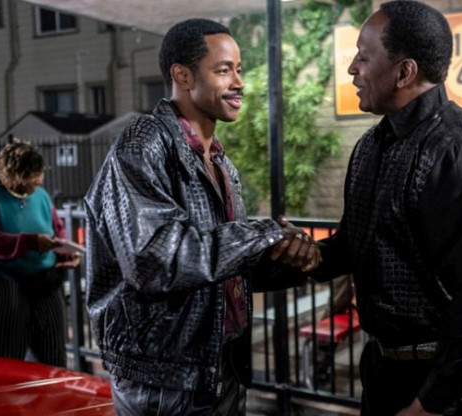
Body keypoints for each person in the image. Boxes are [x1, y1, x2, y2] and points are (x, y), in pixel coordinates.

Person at [84, 19, 317, 416]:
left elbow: (221, 264)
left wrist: (296, 255)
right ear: (183, 76)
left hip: (219, 366)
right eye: (224, 70)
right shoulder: (143, 142)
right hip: (165, 380)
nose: (239, 82)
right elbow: (155, 260)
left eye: (239, 70)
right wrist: (262, 233)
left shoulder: (219, 161)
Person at [286, 2, 462, 414]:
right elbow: (355, 245)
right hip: (385, 370)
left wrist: (430, 403)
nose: (352, 69)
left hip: (442, 385)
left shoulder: (458, 146)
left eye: (363, 57)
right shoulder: (370, 146)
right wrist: (310, 254)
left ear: (404, 72)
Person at [0, 140, 80, 367]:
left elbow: (57, 228)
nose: (39, 180)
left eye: (39, 174)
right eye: (31, 175)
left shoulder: (41, 195)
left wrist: (66, 253)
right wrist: (31, 242)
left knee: (52, 357)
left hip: (44, 281)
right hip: (2, 283)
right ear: (12, 174)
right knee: (4, 357)